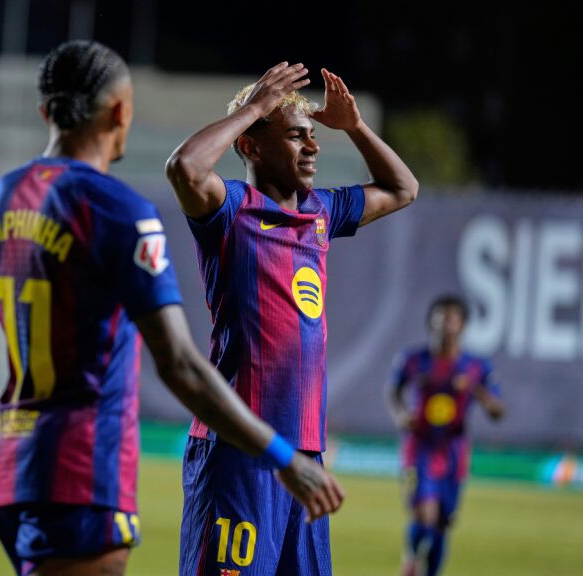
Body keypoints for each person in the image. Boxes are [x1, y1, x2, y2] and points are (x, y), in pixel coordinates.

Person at [0, 41, 343, 576]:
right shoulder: (119, 210)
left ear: (45, 111)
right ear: (120, 111)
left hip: (14, 468)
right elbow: (180, 363)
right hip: (87, 469)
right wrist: (282, 456)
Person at [165, 62, 419, 574]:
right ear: (251, 146)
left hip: (304, 454)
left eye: (312, 135)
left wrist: (355, 127)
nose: (312, 147)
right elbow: (184, 168)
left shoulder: (321, 212)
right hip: (238, 448)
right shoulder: (231, 209)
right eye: (295, 136)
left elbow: (403, 188)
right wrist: (255, 107)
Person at [387, 294, 504, 576]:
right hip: (419, 446)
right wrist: (401, 414)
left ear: (463, 325)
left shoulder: (476, 367)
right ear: (431, 323)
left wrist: (474, 389)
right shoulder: (413, 360)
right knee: (425, 513)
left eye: (452, 319)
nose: (446, 325)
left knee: (442, 522)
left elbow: (498, 411)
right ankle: (412, 557)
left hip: (454, 450)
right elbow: (394, 391)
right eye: (441, 318)